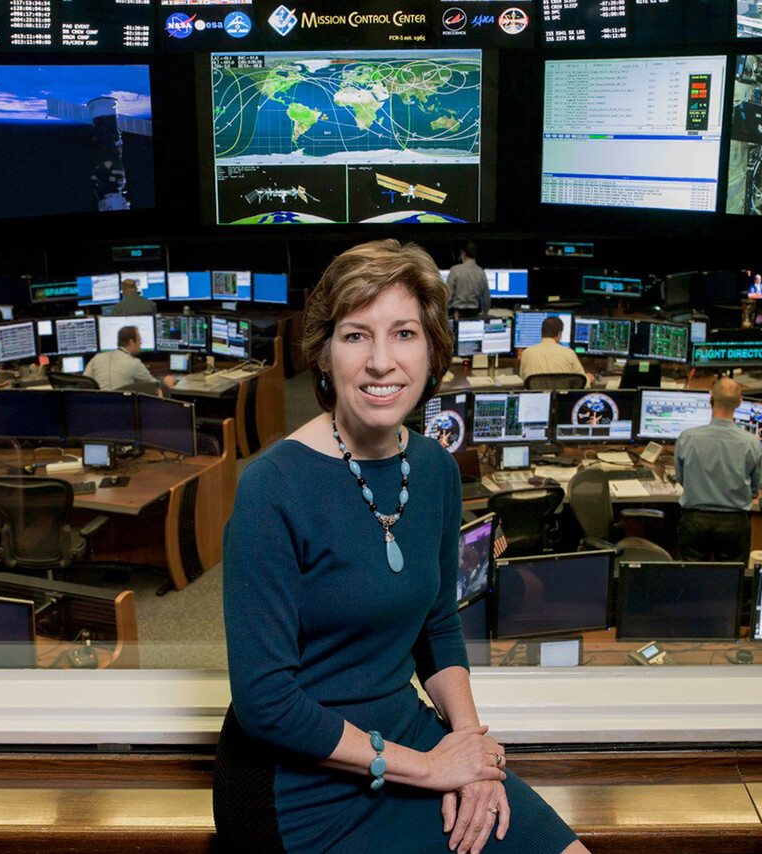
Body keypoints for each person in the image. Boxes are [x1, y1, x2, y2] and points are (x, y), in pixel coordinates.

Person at [215, 239, 587, 854]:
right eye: (357, 335)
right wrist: (431, 768)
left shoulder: (436, 469)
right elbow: (267, 703)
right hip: (301, 779)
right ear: (326, 354)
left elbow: (437, 623)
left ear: (431, 348)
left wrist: (472, 752)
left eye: (404, 334)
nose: (382, 361)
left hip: (409, 732)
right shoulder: (271, 487)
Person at [674, 378, 762, 562]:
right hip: (735, 525)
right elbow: (754, 490)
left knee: (692, 581)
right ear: (739, 402)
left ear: (710, 401)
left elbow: (682, 479)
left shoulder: (687, 438)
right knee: (732, 583)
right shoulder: (751, 443)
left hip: (695, 522)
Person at [83, 325, 175, 393]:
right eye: (139, 341)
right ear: (131, 342)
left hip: (98, 408)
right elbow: (155, 387)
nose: (140, 344)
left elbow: (83, 383)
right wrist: (166, 384)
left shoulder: (97, 358)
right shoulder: (134, 363)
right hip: (123, 408)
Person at [518, 316, 590, 383]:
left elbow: (523, 379)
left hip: (537, 396)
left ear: (542, 333)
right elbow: (582, 382)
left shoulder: (526, 353)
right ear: (559, 334)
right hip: (561, 396)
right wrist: (589, 379)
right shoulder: (569, 353)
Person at [446, 242, 490, 320]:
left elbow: (448, 296)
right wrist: (485, 314)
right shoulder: (481, 272)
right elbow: (486, 298)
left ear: (463, 253)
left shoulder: (455, 270)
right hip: (474, 313)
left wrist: (444, 314)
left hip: (457, 314)